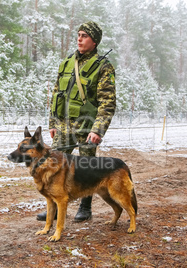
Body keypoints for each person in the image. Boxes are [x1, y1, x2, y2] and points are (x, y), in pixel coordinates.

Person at [37, 21, 116, 222]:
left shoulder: (103, 67)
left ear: (95, 41)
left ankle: (85, 207)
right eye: (79, 35)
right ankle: (54, 208)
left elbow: (107, 102)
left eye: (85, 36)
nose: (79, 39)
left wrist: (98, 130)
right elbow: (57, 94)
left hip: (86, 127)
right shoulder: (67, 63)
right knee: (55, 167)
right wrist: (52, 123)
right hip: (63, 127)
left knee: (86, 169)